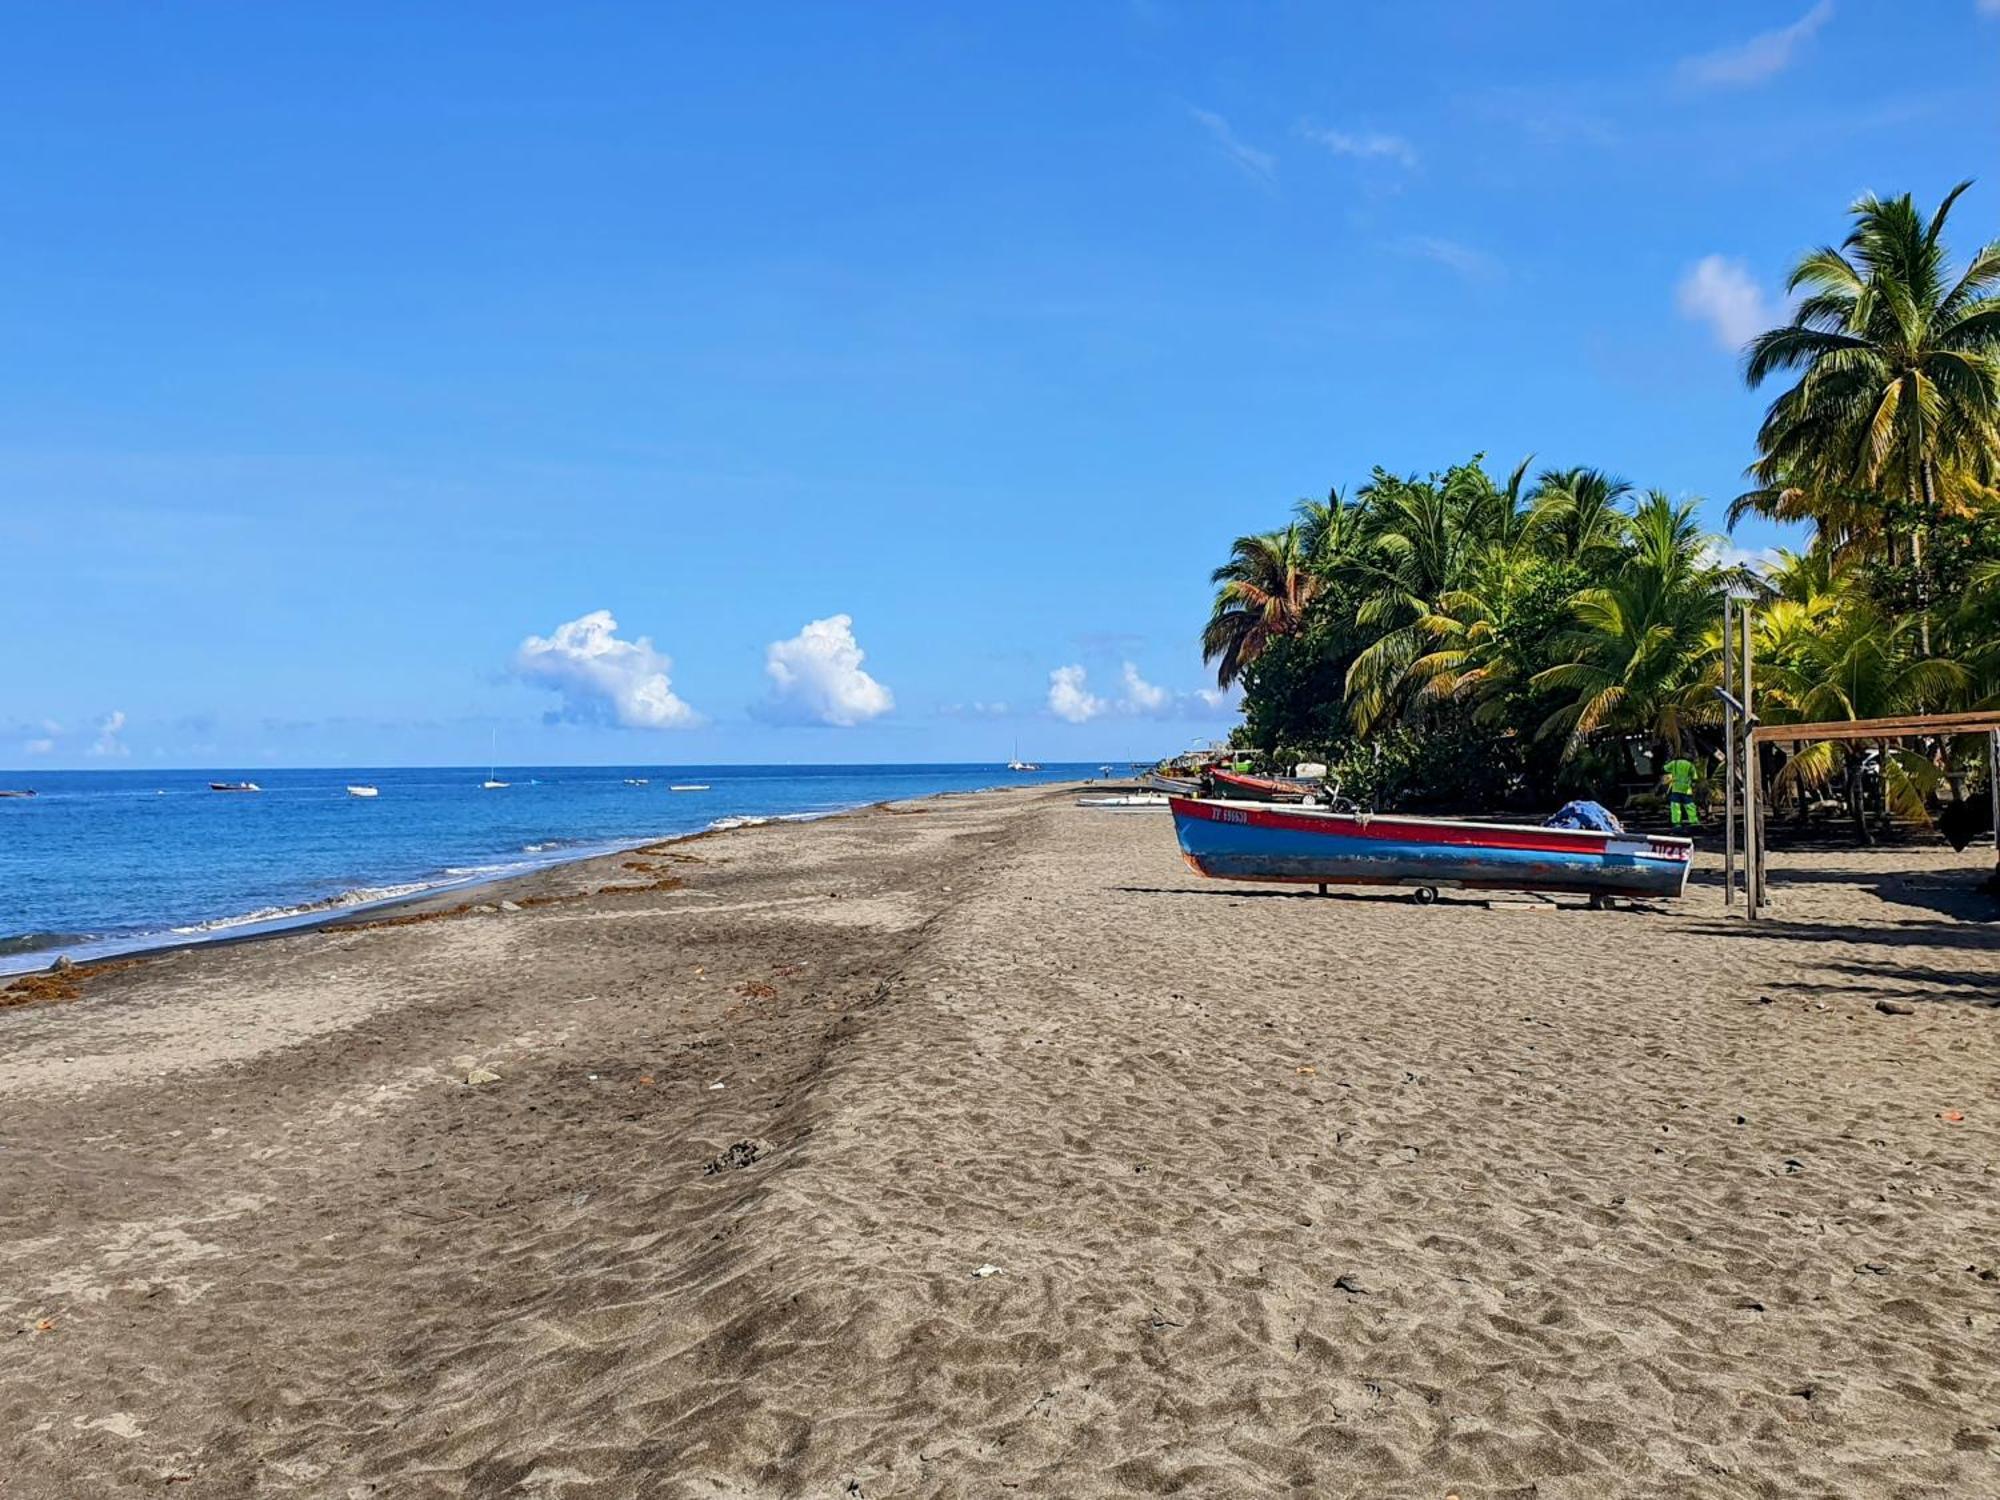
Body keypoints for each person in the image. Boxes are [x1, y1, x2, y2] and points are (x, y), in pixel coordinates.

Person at [1661, 750, 1701, 828]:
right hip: (1686, 789)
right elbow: (1695, 778)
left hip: (1676, 789)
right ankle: (1694, 822)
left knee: (1675, 806)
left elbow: (1664, 768)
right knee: (1690, 806)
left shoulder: (1674, 763)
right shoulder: (1690, 765)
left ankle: (1676, 823)